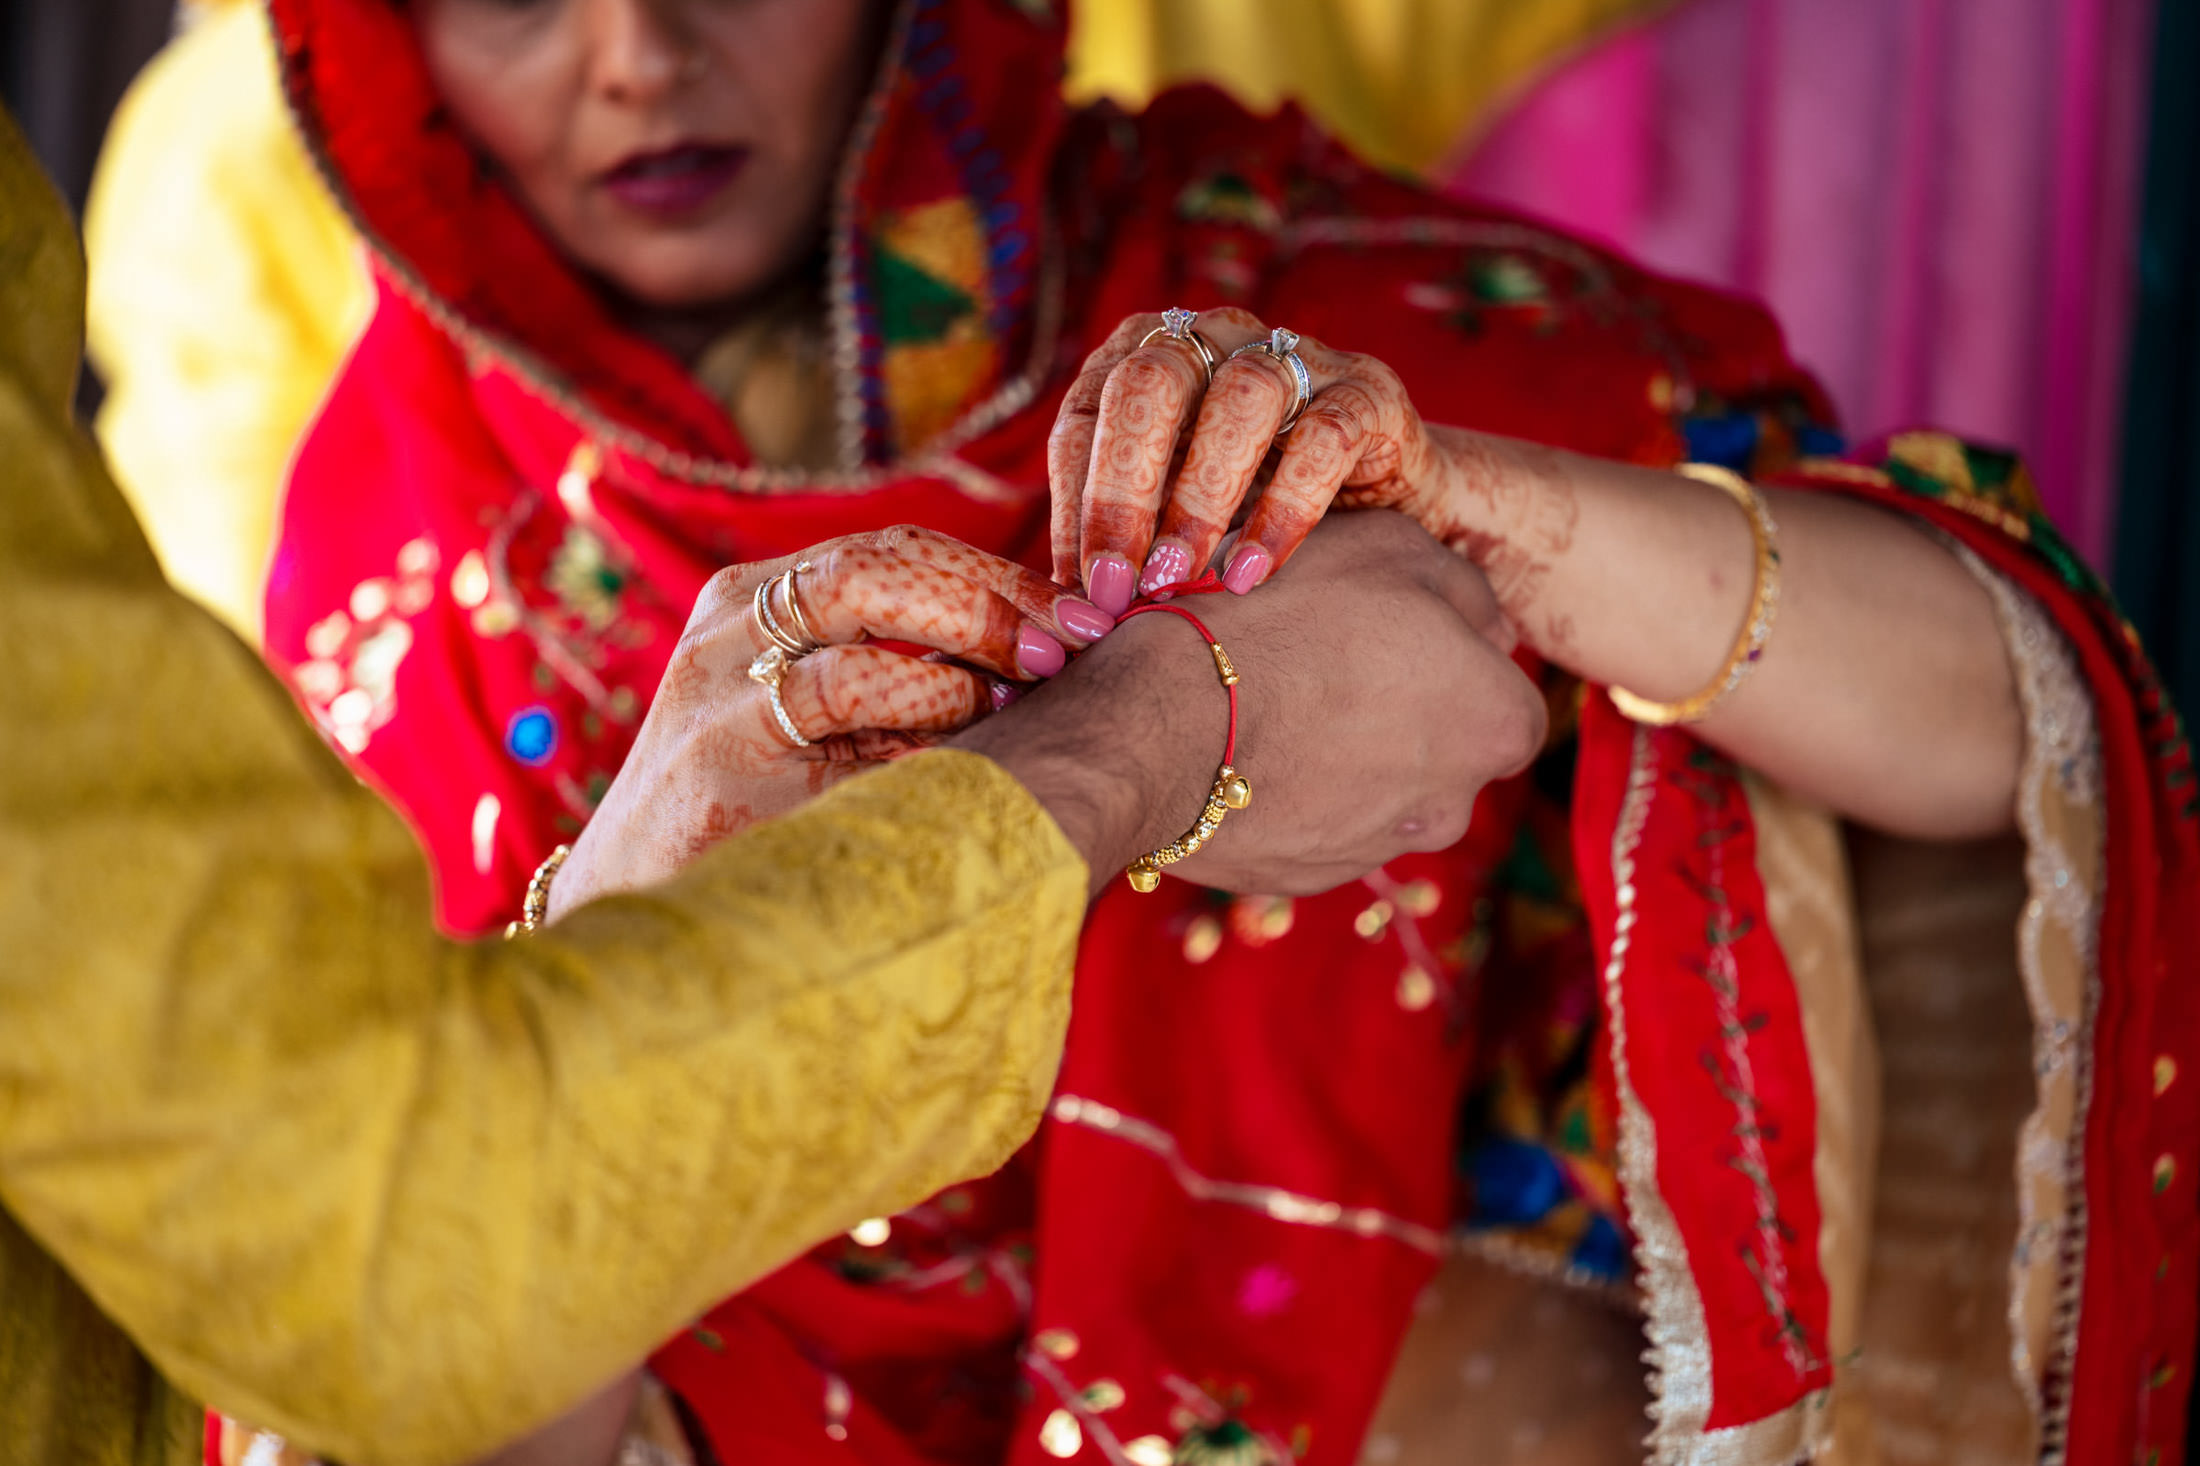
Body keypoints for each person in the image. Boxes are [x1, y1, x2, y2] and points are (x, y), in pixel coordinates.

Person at [198, 0, 2199, 1463]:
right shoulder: (396, 568)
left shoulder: (1305, 312)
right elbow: (401, 1370)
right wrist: (629, 929)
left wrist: (1513, 521)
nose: (635, 54)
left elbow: (2018, 768)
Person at [0, 105, 1545, 1466]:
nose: (636, 52)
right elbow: (391, 1268)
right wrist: (1137, 748)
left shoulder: (1330, 297)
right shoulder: (373, 508)